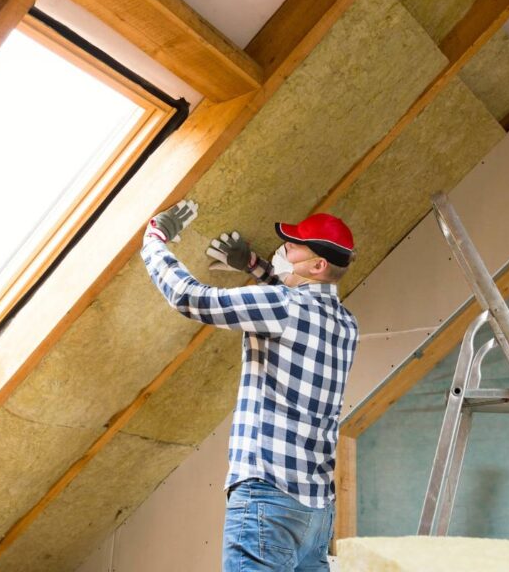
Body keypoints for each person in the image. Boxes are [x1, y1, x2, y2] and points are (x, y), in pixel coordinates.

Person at [141, 200, 359, 571]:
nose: (284, 251)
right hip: (316, 511)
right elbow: (296, 309)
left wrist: (153, 242)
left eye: (293, 247)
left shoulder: (283, 306)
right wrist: (255, 267)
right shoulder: (347, 325)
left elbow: (190, 298)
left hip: (266, 497)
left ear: (317, 265)